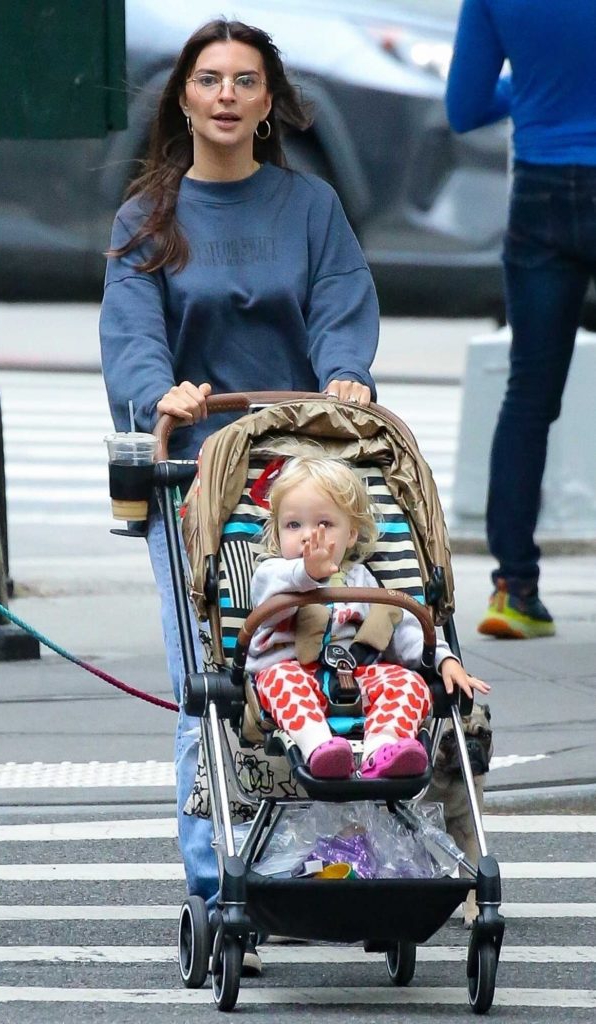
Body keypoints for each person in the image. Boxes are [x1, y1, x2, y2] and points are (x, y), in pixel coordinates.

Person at [99, 18, 380, 967]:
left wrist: (346, 378)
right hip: (197, 482)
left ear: (269, 102)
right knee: (212, 689)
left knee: (330, 667)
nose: (225, 94)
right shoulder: (147, 215)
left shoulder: (312, 209)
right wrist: (159, 392)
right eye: (209, 79)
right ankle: (220, 882)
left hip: (302, 480)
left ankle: (328, 862)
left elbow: (342, 307)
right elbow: (132, 335)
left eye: (245, 81)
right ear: (182, 97)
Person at [446, 0, 596, 639]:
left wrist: (535, 84)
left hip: (539, 190)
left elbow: (465, 107)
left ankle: (515, 591)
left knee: (529, 396)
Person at [247, 456, 490, 779]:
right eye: (294, 525)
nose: (308, 536)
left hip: (358, 675)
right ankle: (320, 749)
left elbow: (402, 627)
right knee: (281, 680)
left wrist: (444, 659)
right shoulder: (273, 574)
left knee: (410, 683)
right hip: (293, 676)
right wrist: (307, 572)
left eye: (324, 525)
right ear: (277, 535)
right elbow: (273, 600)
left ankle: (384, 749)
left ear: (350, 535)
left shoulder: (362, 579)